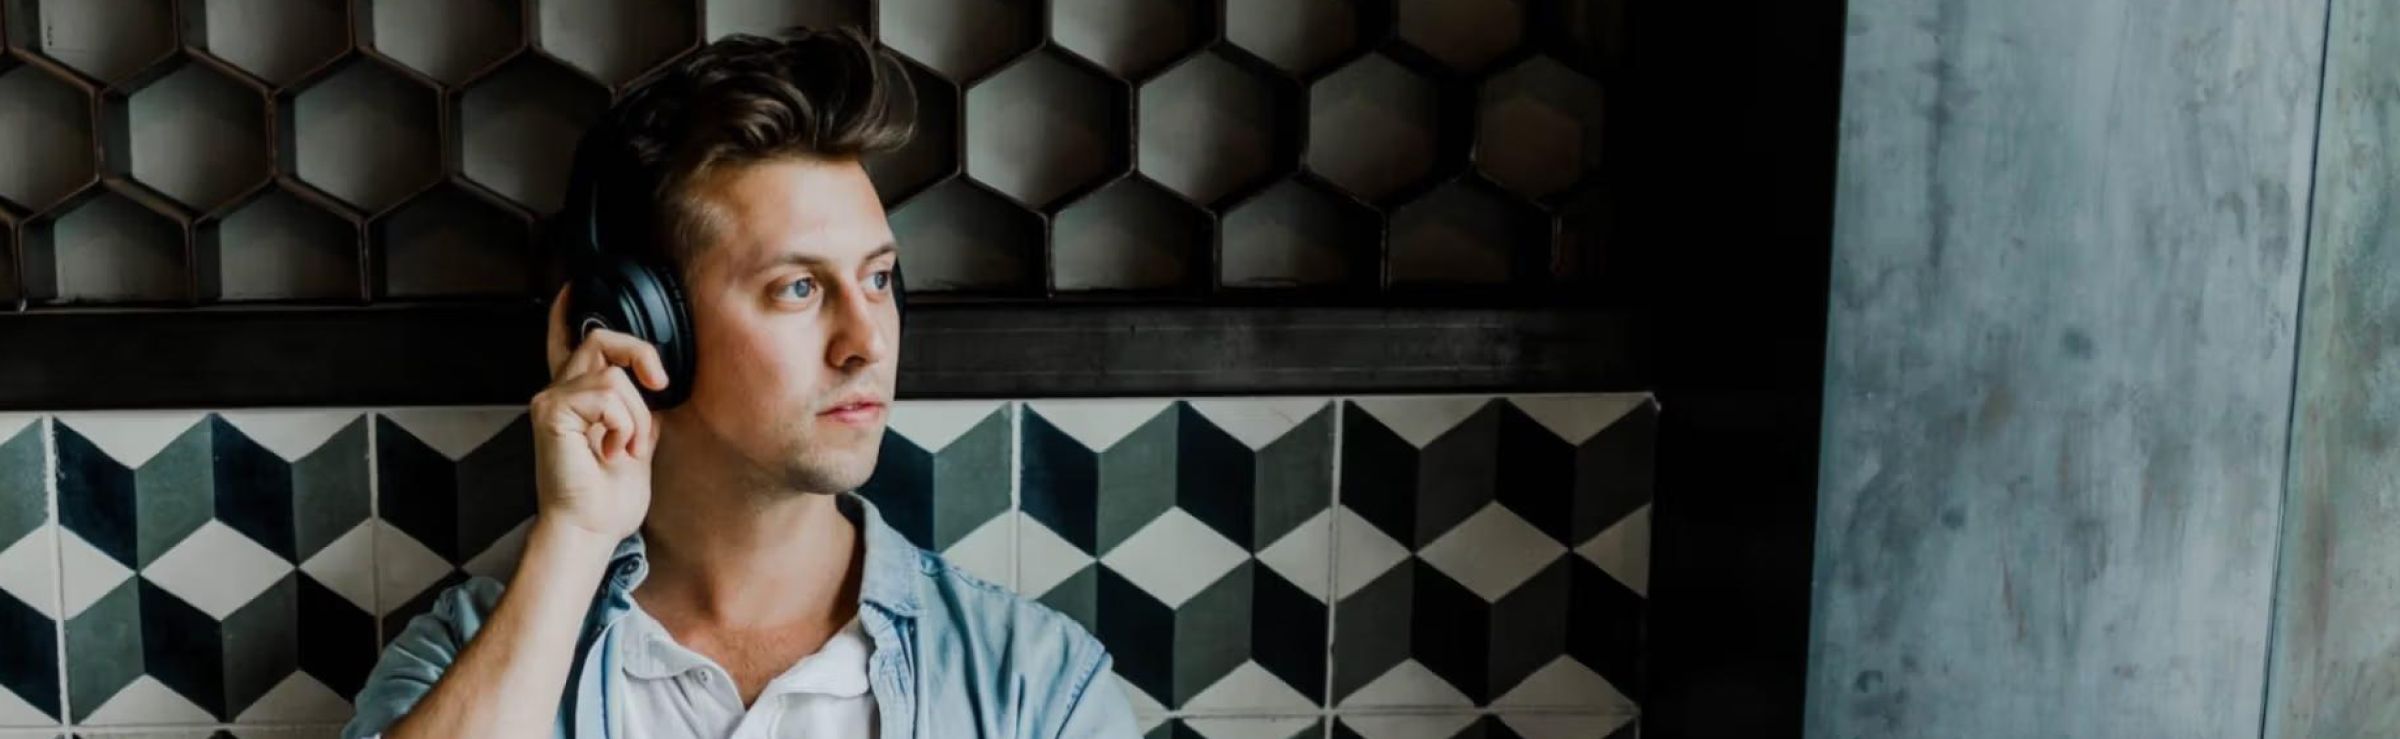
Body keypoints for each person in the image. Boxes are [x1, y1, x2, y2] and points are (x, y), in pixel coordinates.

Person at [341, 27, 1137, 739]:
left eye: (877, 278)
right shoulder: (465, 658)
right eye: (799, 287)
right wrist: (576, 538)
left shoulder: (1035, 687)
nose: (867, 342)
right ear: (647, 324)